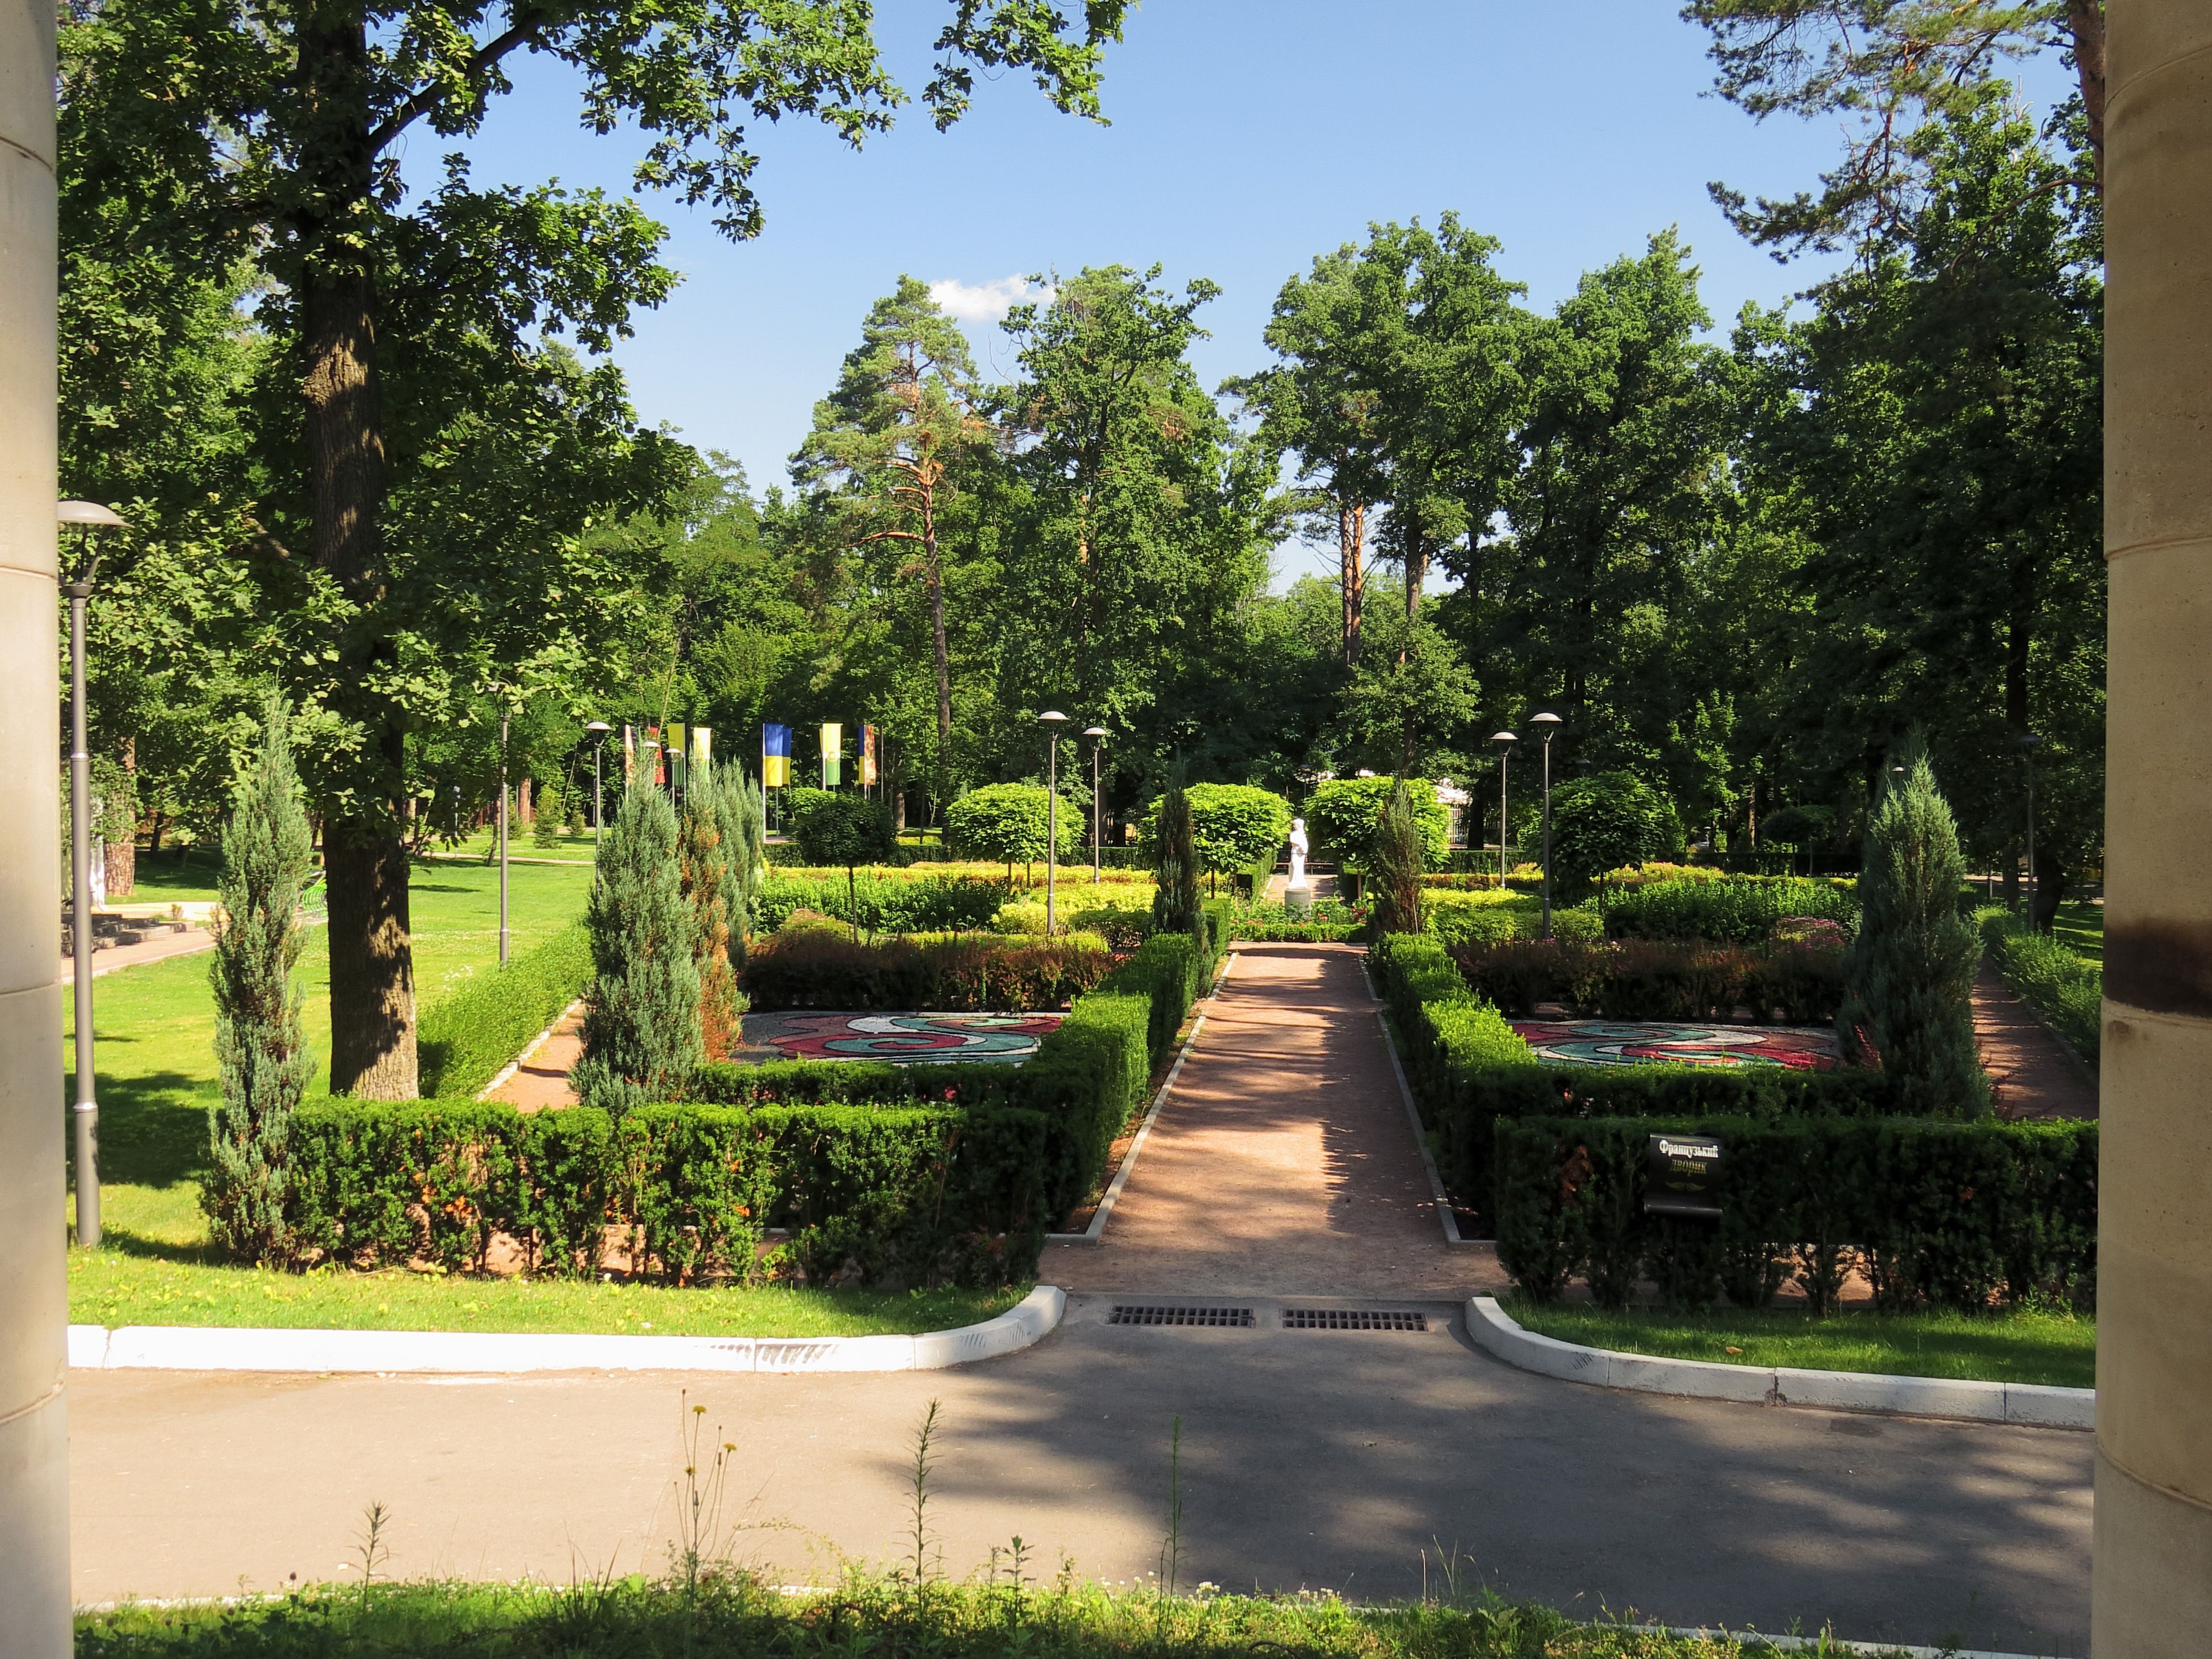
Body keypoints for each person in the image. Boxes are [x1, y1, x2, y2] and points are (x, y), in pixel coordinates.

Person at [1288, 818, 1308, 887]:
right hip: (1295, 852)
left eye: (1296, 825)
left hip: (1301, 852)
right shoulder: (1293, 834)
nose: (1294, 826)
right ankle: (1294, 881)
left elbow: (1305, 843)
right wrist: (1299, 844)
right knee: (1294, 865)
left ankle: (1300, 882)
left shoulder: (1303, 834)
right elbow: (1292, 841)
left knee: (1300, 867)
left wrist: (1303, 848)